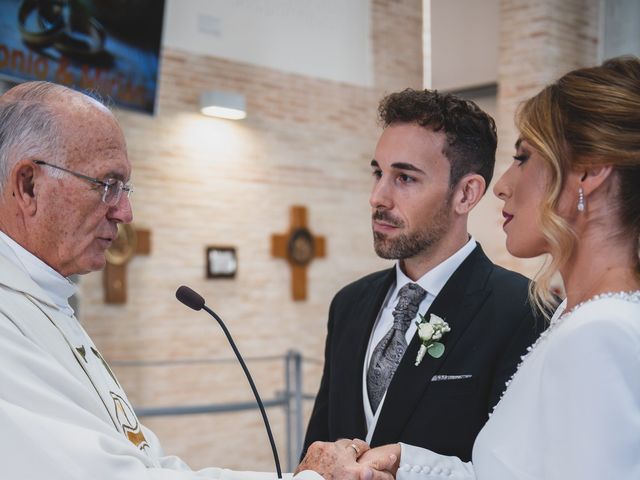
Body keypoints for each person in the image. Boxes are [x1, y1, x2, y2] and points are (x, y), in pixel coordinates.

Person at [0, 81, 394, 480]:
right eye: (107, 185)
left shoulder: (44, 301)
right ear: (29, 185)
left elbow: (147, 462)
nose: (125, 211)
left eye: (125, 188)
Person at [347, 56, 640, 479]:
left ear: (589, 173)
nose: (502, 186)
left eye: (523, 158)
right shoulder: (573, 316)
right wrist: (405, 464)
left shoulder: (600, 334)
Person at [302, 89, 544, 462]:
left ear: (466, 193)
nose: (378, 197)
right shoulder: (349, 304)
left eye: (405, 178)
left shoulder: (523, 311)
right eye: (378, 173)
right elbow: (318, 447)